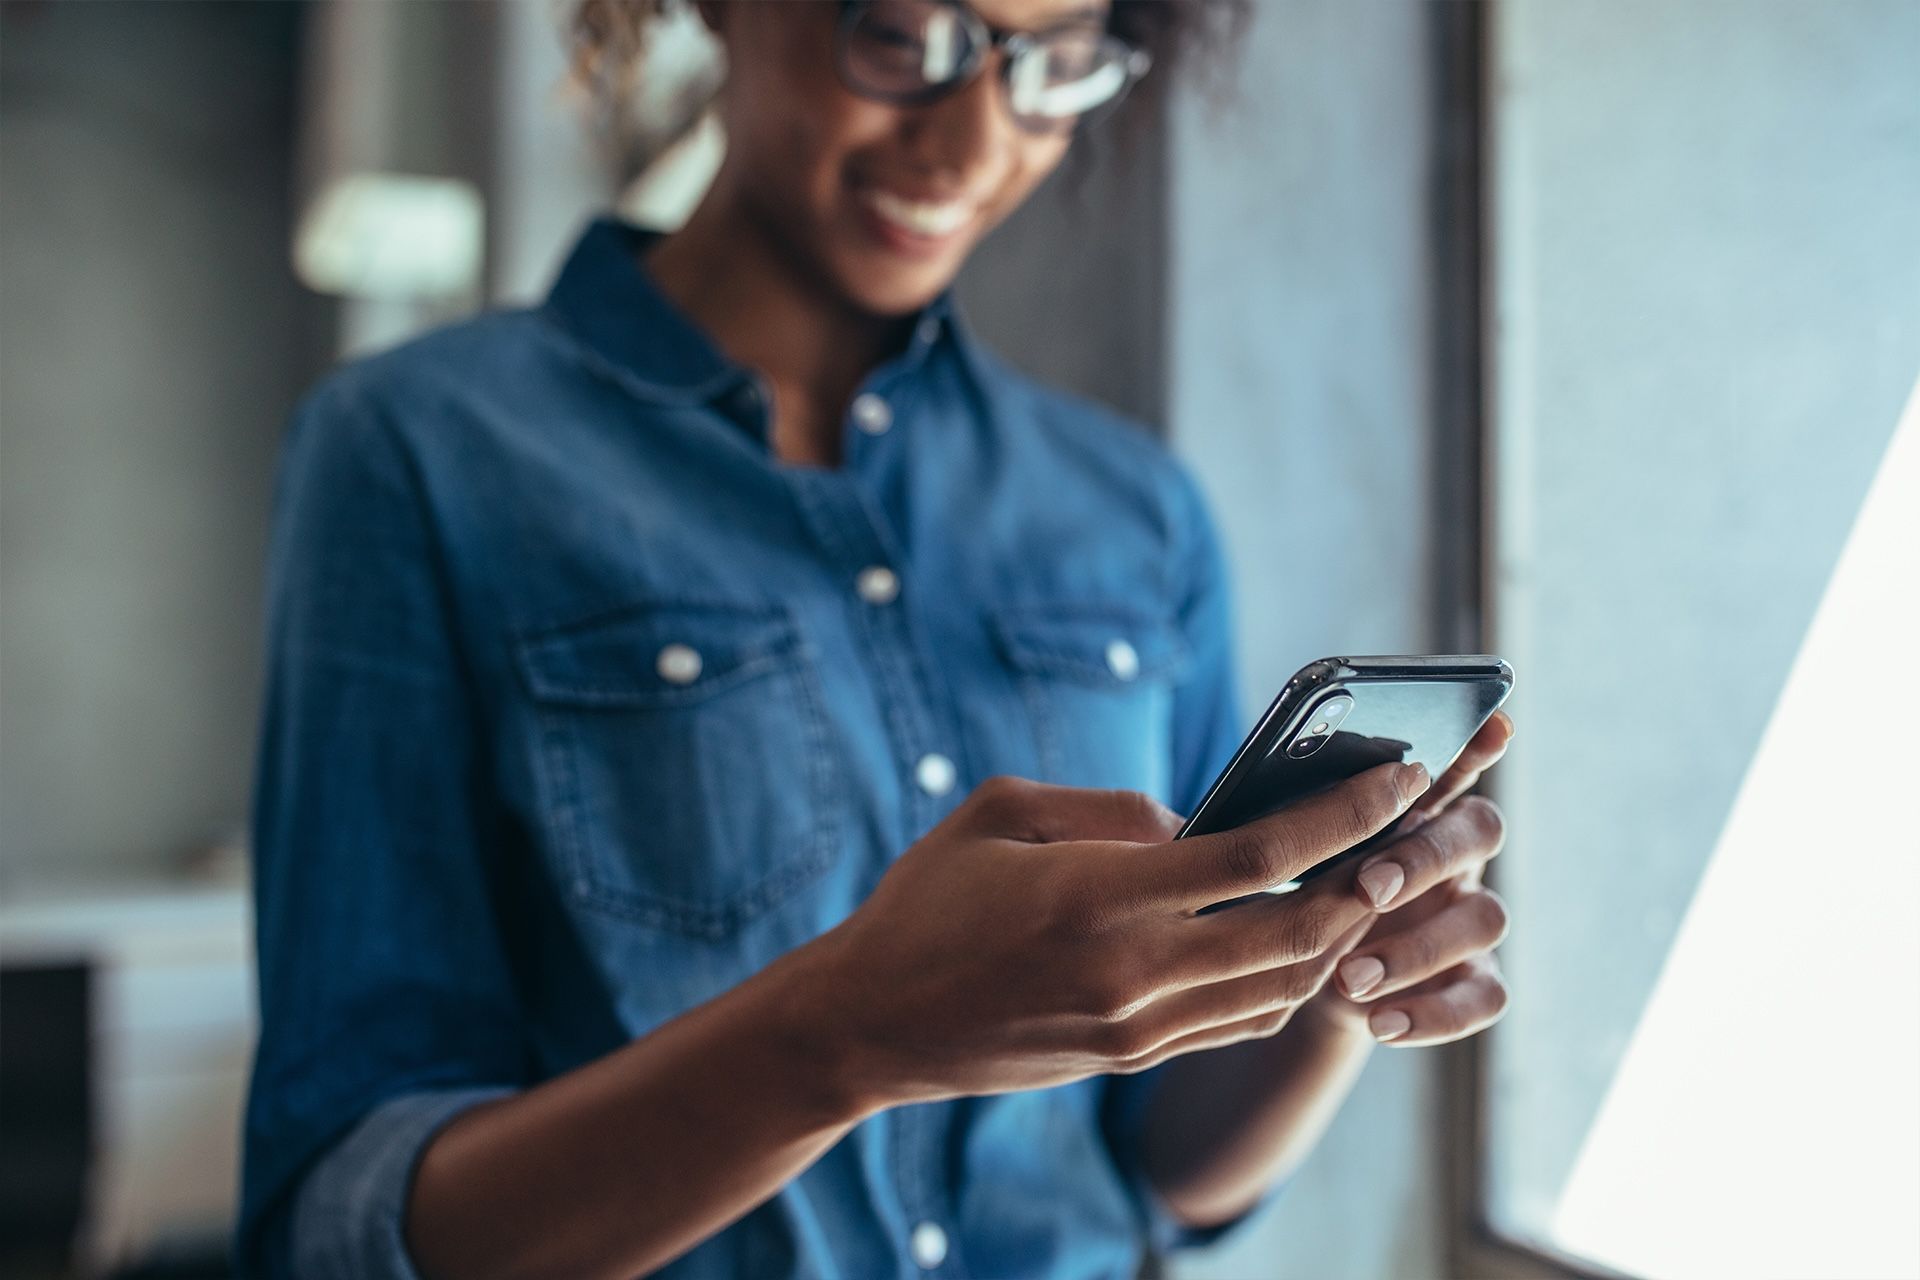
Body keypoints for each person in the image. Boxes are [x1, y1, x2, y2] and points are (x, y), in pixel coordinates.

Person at [236, 1, 1516, 1277]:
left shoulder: (1133, 510)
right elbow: (342, 1227)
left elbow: (1154, 1168)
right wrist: (843, 1033)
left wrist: (1329, 968)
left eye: (1052, 67)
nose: (970, 147)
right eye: (902, 38)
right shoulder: (418, 452)